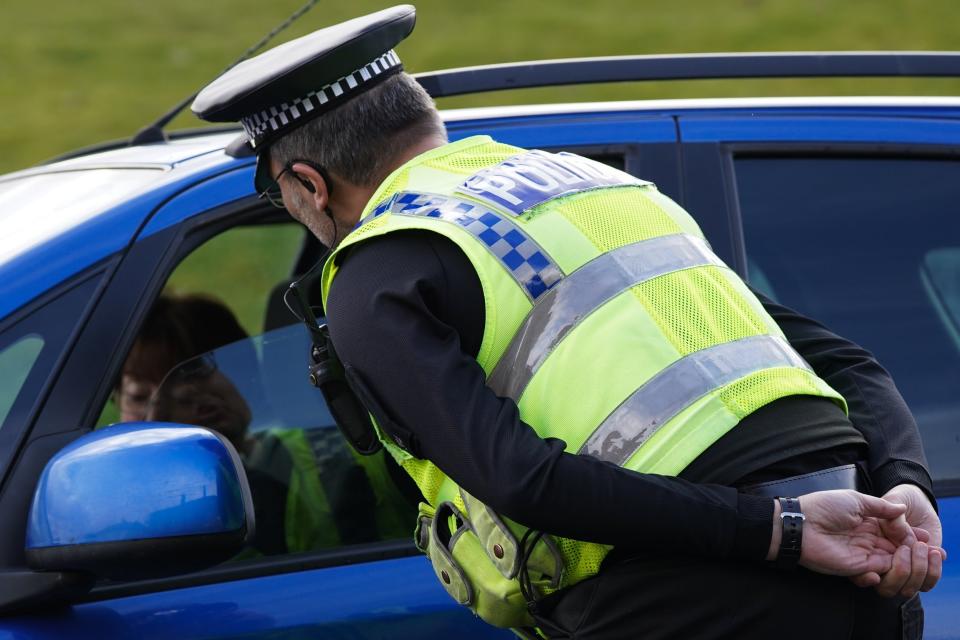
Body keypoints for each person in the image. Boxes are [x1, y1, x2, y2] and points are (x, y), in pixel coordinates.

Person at [192, 6, 944, 638]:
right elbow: (849, 364)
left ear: (308, 185)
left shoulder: (374, 273)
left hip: (693, 595)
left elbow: (526, 480)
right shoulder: (600, 188)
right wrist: (908, 489)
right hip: (871, 573)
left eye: (279, 197)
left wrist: (778, 532)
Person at [117, 292, 415, 556]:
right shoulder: (119, 510)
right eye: (141, 395)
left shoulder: (359, 444)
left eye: (196, 368)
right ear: (117, 406)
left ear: (247, 369)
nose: (182, 393)